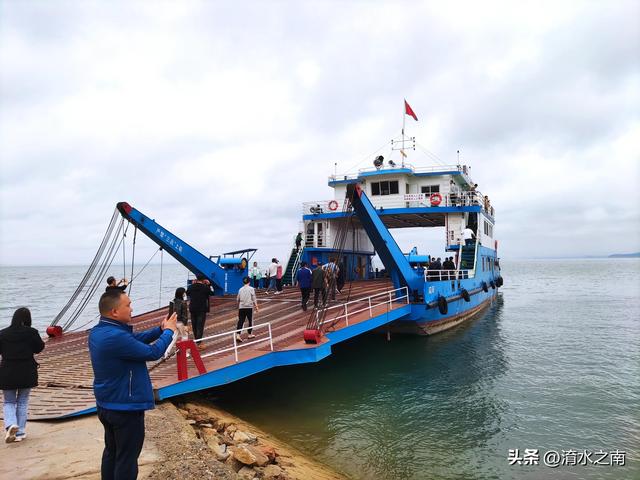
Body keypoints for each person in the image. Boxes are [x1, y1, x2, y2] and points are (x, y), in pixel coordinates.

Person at [88, 290, 177, 479]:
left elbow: (134, 340)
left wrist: (159, 329)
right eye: (127, 305)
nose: (132, 308)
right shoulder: (116, 337)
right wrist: (169, 332)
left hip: (107, 403)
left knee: (112, 452)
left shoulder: (100, 331)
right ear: (114, 311)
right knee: (127, 459)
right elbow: (153, 352)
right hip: (124, 408)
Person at [0, 307, 45, 443]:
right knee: (23, 401)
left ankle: (10, 424)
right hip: (27, 370)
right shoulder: (31, 333)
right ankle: (19, 432)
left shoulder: (2, 333)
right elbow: (39, 348)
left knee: (9, 401)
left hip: (7, 371)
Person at [186, 275, 214, 348]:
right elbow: (212, 293)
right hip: (201, 309)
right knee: (200, 326)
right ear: (203, 280)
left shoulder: (191, 287)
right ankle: (199, 343)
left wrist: (192, 284)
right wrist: (209, 284)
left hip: (192, 308)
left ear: (196, 279)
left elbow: (187, 293)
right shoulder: (205, 288)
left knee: (194, 325)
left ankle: (196, 340)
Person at [236, 277, 259, 342]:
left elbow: (237, 299)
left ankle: (238, 335)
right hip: (249, 307)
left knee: (240, 321)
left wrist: (238, 306)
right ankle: (249, 334)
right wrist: (256, 306)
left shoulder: (240, 289)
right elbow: (254, 298)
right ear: (249, 282)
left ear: (243, 282)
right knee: (250, 320)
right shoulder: (251, 289)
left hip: (241, 307)